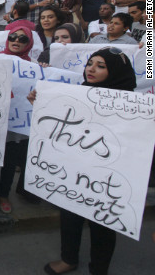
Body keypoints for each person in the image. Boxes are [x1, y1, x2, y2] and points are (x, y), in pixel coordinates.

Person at [33, 47, 136, 275]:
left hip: (107, 176)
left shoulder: (131, 104)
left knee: (103, 224)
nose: (91, 69)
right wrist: (40, 105)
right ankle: (68, 258)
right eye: (90, 63)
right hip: (74, 170)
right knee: (70, 214)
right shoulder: (79, 92)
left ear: (117, 71)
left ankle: (99, 268)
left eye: (101, 66)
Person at [0, 26, 35, 213]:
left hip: (16, 124)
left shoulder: (34, 67)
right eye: (13, 37)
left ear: (29, 44)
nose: (16, 41)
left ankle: (3, 194)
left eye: (22, 39)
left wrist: (43, 71)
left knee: (9, 162)